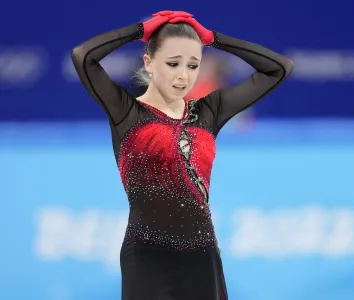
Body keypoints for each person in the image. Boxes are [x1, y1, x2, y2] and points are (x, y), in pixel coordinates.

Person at [71, 10, 294, 300]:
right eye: (173, 63)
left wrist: (213, 39)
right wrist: (140, 30)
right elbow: (83, 56)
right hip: (147, 258)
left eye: (193, 65)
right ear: (149, 63)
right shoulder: (126, 112)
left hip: (202, 258)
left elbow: (280, 68)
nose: (183, 76)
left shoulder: (208, 112)